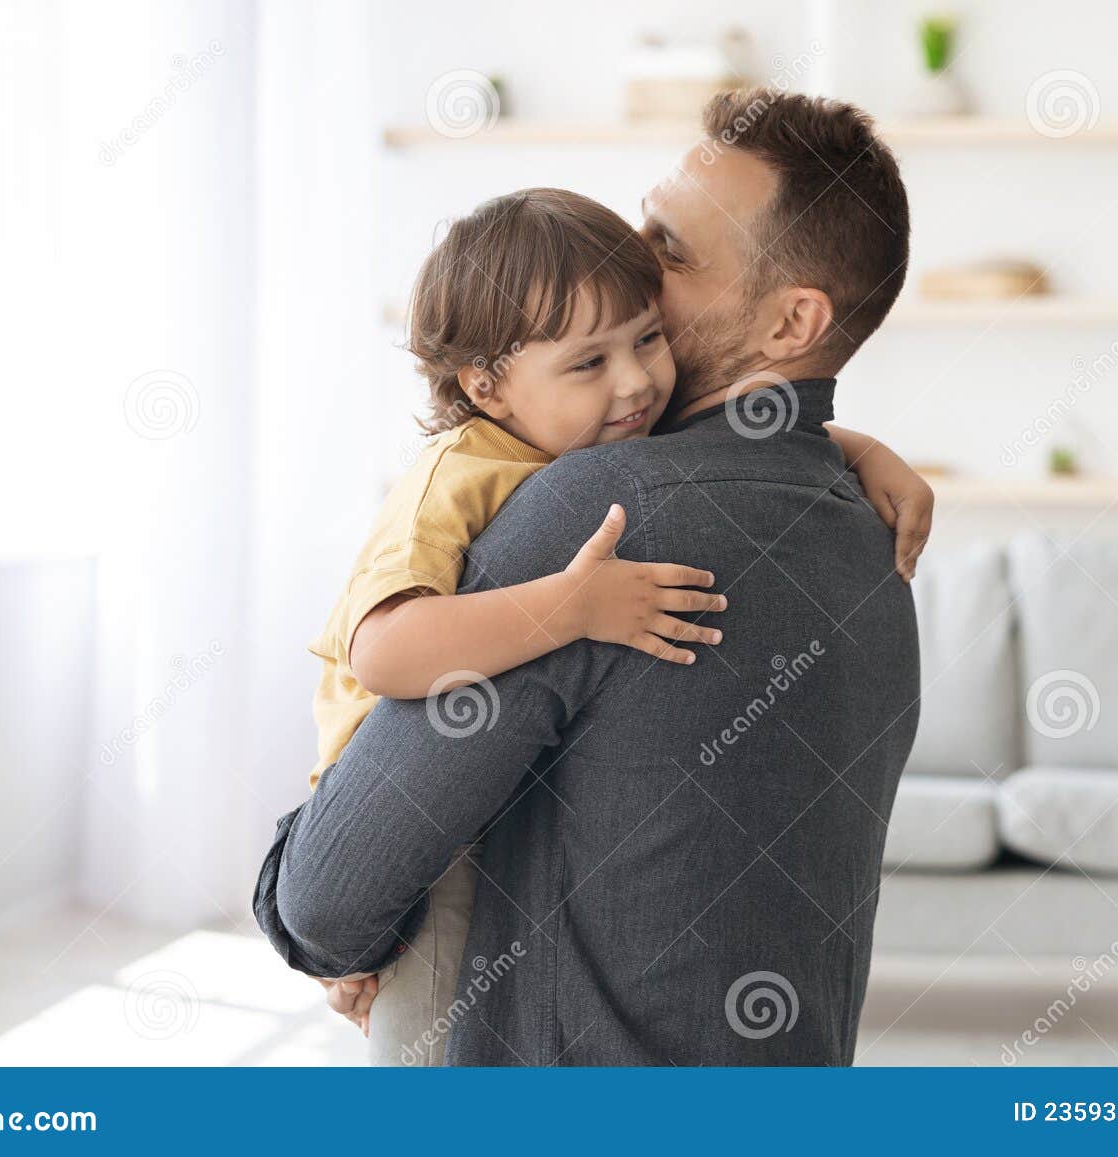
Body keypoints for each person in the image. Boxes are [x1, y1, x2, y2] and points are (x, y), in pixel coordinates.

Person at [260, 88, 925, 1065]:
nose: (629, 265)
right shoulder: (875, 540)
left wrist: (305, 890)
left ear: (792, 322)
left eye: (670, 247)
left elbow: (329, 896)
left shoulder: (601, 517)